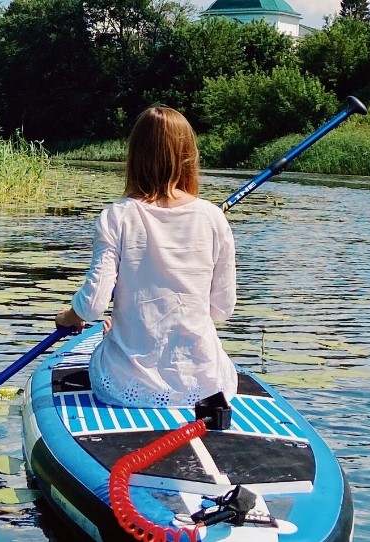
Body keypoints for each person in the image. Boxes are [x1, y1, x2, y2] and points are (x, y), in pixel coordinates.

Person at [54, 106, 237, 408]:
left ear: (135, 157)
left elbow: (91, 306)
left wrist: (66, 317)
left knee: (108, 348)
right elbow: (221, 310)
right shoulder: (214, 218)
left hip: (128, 385)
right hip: (206, 386)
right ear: (189, 156)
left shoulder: (117, 216)